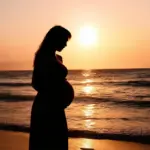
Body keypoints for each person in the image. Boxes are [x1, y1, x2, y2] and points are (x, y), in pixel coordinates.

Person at [29, 25, 74, 150]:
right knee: (47, 142)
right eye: (64, 40)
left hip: (56, 107)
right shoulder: (42, 57)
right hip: (46, 108)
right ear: (55, 39)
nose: (65, 44)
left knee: (59, 141)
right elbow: (36, 82)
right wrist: (53, 95)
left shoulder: (58, 58)